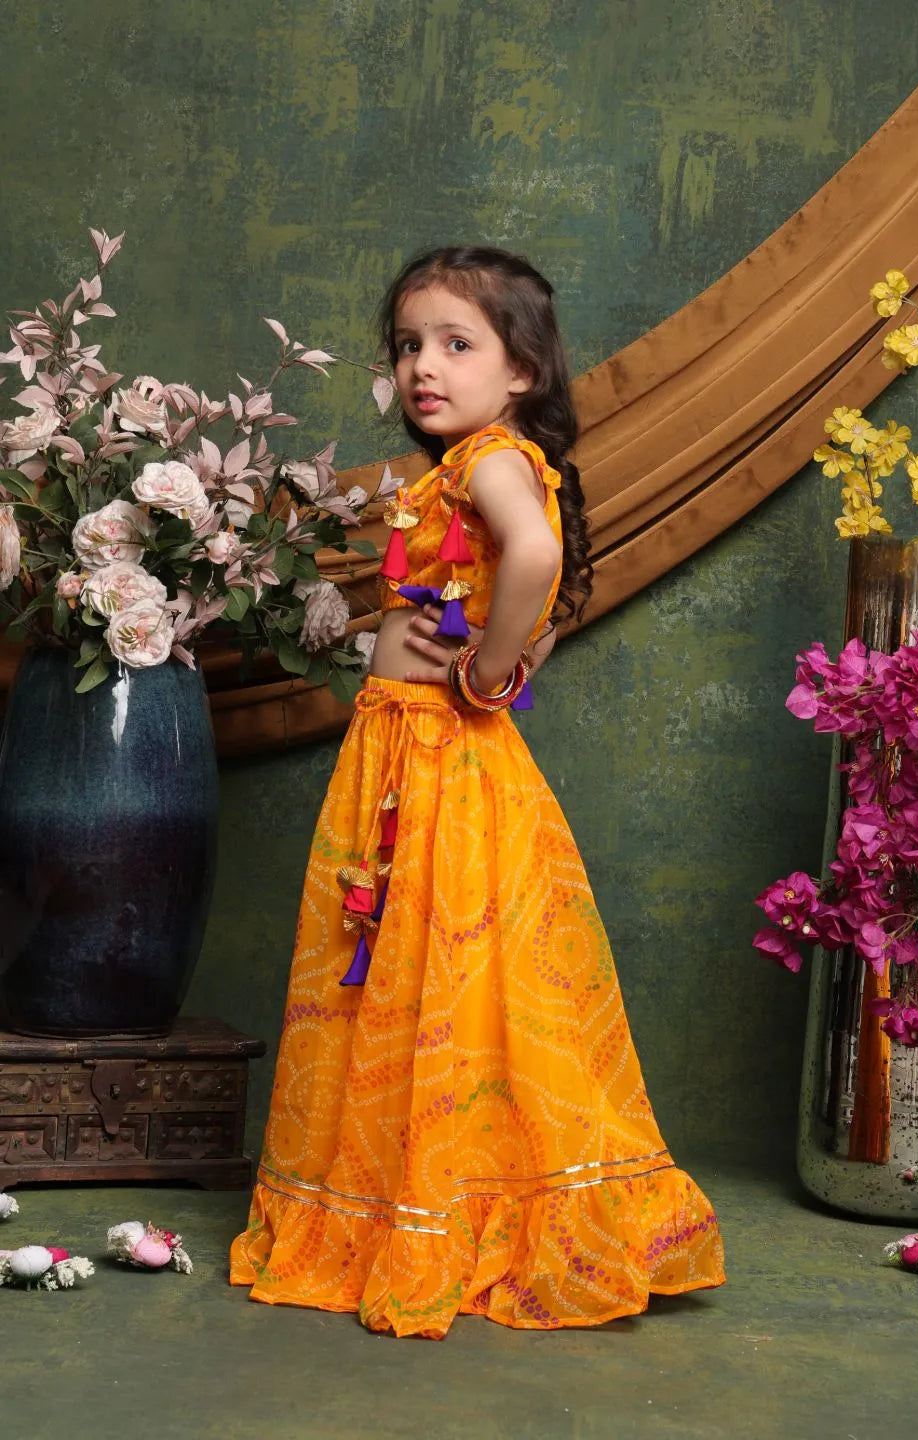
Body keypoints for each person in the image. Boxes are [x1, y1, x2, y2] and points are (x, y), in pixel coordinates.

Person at [229, 245, 725, 1338]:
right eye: (409, 345)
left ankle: (440, 1217)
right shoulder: (458, 470)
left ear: (522, 374)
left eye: (457, 344)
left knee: (437, 969)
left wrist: (481, 675)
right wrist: (481, 657)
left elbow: (536, 557)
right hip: (414, 761)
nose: (423, 366)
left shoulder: (492, 462)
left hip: (445, 765)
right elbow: (535, 583)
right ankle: (438, 1192)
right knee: (443, 979)